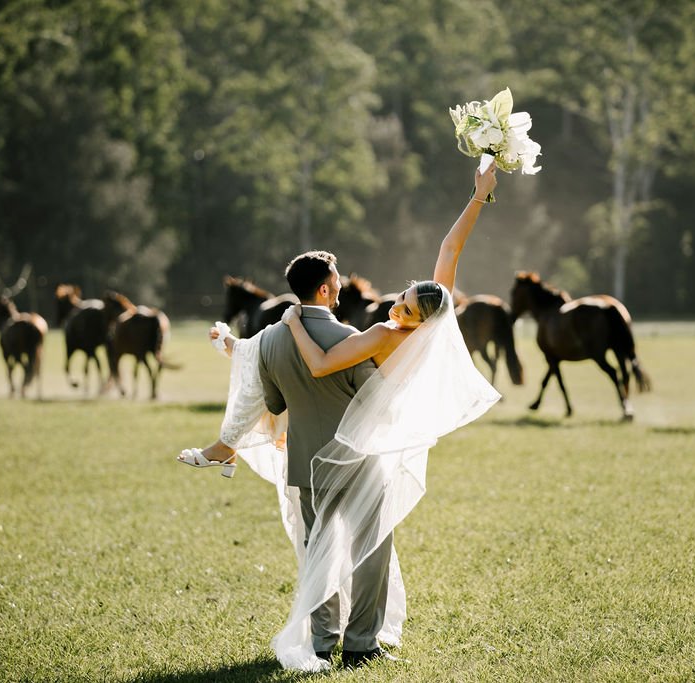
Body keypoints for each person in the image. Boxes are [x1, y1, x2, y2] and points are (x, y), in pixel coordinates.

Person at [180, 162, 500, 672]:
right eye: (402, 297)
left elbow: (316, 367)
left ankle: (325, 637)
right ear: (328, 288)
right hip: (363, 454)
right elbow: (448, 252)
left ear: (421, 318)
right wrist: (479, 195)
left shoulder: (372, 336)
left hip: (310, 458)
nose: (397, 307)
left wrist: (290, 321)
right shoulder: (418, 333)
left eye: (407, 307)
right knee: (370, 550)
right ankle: (360, 643)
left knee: (320, 551)